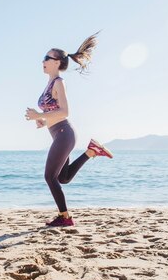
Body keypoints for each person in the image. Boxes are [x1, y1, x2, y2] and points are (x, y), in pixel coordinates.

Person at [25, 32, 113, 227]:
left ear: (57, 62)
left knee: (49, 177)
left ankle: (65, 218)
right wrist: (43, 121)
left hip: (65, 134)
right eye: (43, 58)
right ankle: (91, 151)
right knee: (62, 178)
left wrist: (39, 115)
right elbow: (53, 111)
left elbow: (64, 112)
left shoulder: (59, 82)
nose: (43, 61)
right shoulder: (49, 82)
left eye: (47, 58)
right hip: (59, 134)